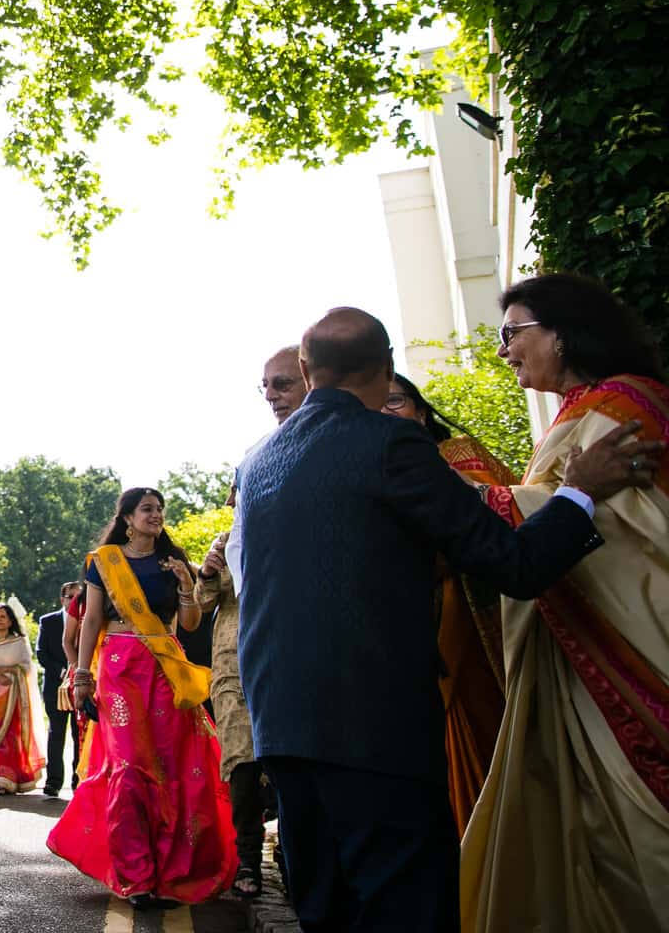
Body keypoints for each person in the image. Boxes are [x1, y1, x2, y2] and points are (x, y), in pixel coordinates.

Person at [237, 306, 656, 933]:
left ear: (305, 368)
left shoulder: (256, 462)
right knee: (406, 903)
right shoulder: (390, 442)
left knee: (327, 907)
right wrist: (579, 492)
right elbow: (511, 564)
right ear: (387, 366)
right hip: (375, 724)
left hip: (282, 723)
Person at [461, 274, 669, 933]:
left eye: (511, 334)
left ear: (561, 330)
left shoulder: (618, 408)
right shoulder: (586, 410)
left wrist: (464, 500)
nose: (503, 352)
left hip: (634, 655)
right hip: (593, 662)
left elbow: (631, 534)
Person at [50, 487, 236, 909]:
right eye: (147, 510)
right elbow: (93, 619)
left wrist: (187, 585)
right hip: (119, 668)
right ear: (128, 518)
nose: (156, 515)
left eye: (160, 510)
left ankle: (172, 873)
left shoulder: (173, 561)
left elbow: (188, 623)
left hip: (166, 669)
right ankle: (135, 876)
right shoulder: (104, 562)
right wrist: (82, 676)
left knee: (174, 767)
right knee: (132, 769)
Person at [198, 344, 308, 899]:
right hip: (234, 662)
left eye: (281, 384)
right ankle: (247, 863)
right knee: (241, 764)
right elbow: (199, 606)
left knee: (291, 763)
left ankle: (293, 860)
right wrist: (209, 569)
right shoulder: (227, 541)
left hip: (289, 655)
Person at [384, 371, 515, 835]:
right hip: (413, 629)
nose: (386, 411)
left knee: (494, 731)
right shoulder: (375, 471)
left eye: (396, 401)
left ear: (421, 411)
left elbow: (505, 519)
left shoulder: (458, 456)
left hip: (481, 621)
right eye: (378, 405)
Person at [224, 344, 308, 596]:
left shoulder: (346, 441)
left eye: (282, 384)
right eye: (265, 385)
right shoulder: (254, 456)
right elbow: (239, 539)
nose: (269, 395)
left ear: (312, 379)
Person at [0, 603, 47, 795]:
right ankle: (2, 780)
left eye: (3, 617)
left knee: (13, 738)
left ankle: (16, 779)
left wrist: (9, 671)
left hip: (13, 693)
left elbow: (26, 667)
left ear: (10, 621)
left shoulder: (19, 641)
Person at [37, 584, 81, 796]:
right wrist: (63, 670)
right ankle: (53, 782)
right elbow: (42, 653)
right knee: (56, 733)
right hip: (56, 686)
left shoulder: (90, 620)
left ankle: (78, 780)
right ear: (62, 599)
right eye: (70, 597)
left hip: (81, 686)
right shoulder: (48, 621)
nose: (74, 601)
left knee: (79, 733)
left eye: (79, 597)